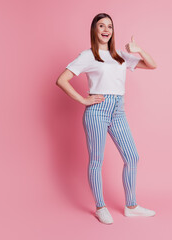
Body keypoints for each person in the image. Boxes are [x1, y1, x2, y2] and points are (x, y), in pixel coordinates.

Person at [56, 13, 157, 224]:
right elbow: (62, 79)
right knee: (96, 161)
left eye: (109, 26)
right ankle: (100, 207)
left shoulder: (120, 55)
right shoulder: (88, 55)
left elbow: (151, 65)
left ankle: (131, 206)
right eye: (101, 25)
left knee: (132, 157)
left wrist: (139, 50)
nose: (106, 29)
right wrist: (83, 100)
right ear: (94, 30)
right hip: (97, 111)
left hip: (118, 110)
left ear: (112, 31)